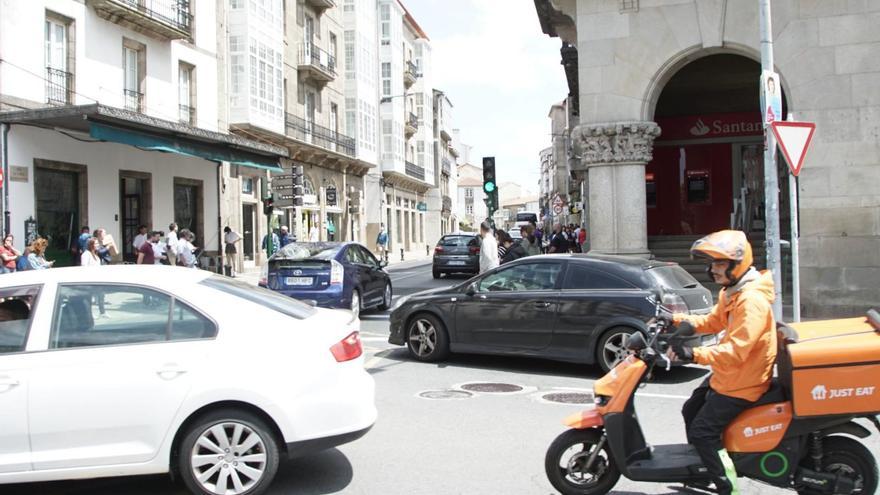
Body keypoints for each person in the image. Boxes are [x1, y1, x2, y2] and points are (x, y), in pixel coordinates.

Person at [665, 230, 776, 495]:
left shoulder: (751, 302)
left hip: (743, 382)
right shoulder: (732, 292)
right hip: (730, 375)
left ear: (736, 265)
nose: (712, 270)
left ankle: (728, 487)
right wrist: (677, 321)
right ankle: (705, 468)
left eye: (719, 264)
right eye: (712, 263)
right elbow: (713, 322)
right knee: (691, 409)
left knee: (704, 433)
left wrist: (692, 355)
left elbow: (736, 351)